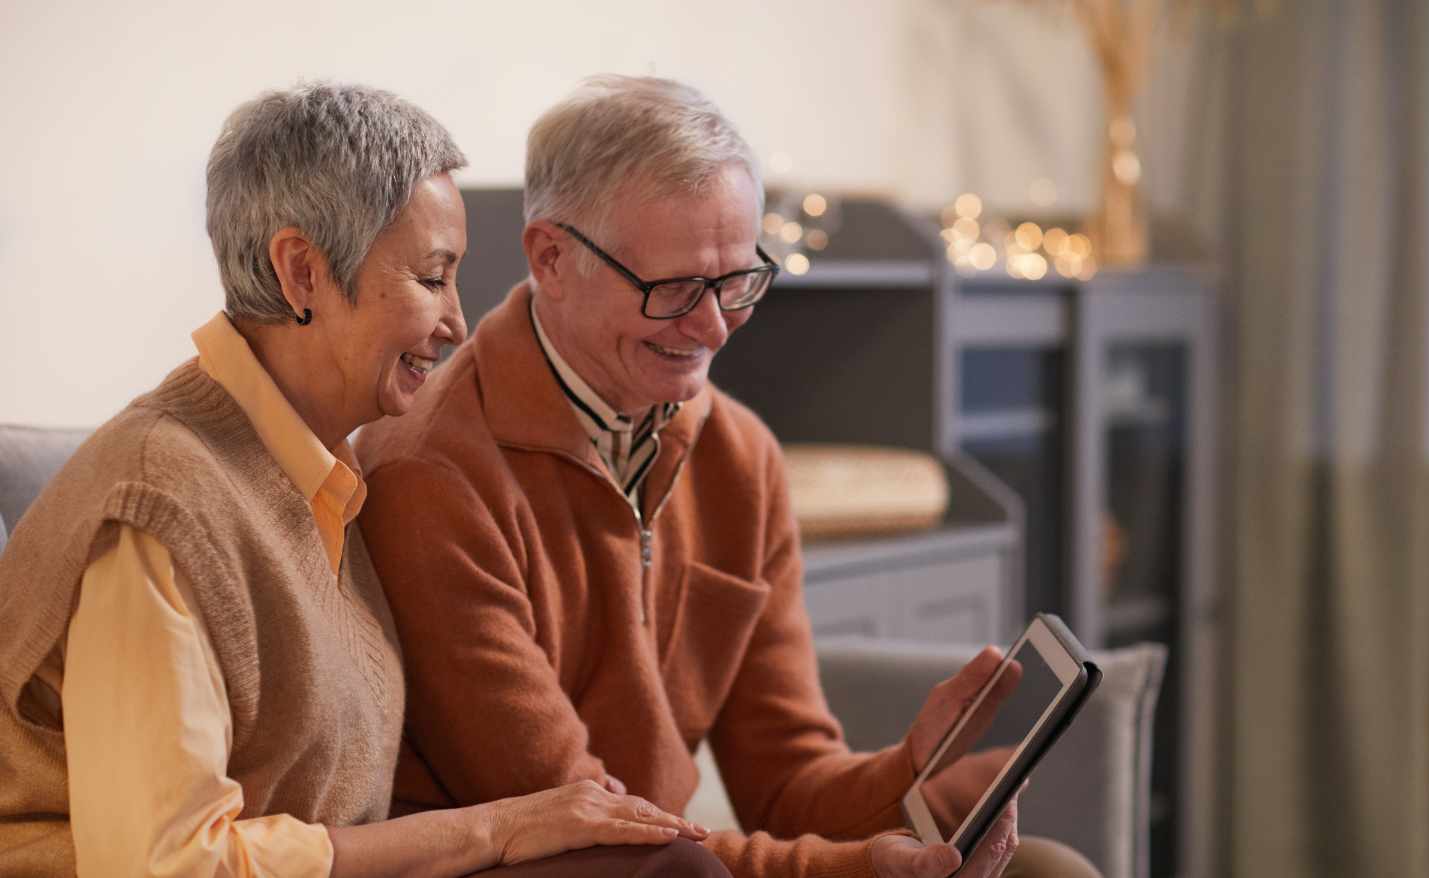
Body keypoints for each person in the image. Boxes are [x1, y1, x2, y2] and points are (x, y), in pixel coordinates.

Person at [354, 75, 1100, 878]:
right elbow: (583, 817)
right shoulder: (432, 473)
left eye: (738, 281)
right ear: (552, 257)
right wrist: (851, 870)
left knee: (1047, 869)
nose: (712, 327)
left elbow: (786, 783)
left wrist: (915, 768)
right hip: (545, 861)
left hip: (673, 856)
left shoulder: (741, 458)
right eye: (673, 289)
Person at [0, 82, 727, 878]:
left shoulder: (317, 476)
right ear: (303, 272)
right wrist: (490, 832)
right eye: (431, 278)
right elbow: (170, 867)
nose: (456, 322)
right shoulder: (159, 506)